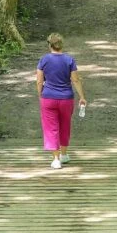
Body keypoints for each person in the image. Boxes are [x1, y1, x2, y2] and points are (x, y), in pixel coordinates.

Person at [34, 32, 86, 170]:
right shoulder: (69, 60)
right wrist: (82, 96)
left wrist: (41, 95)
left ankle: (56, 159)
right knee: (65, 126)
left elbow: (39, 81)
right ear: (61, 44)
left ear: (49, 45)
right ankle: (64, 154)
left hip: (48, 99)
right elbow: (75, 79)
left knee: (51, 128)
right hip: (66, 99)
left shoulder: (44, 60)